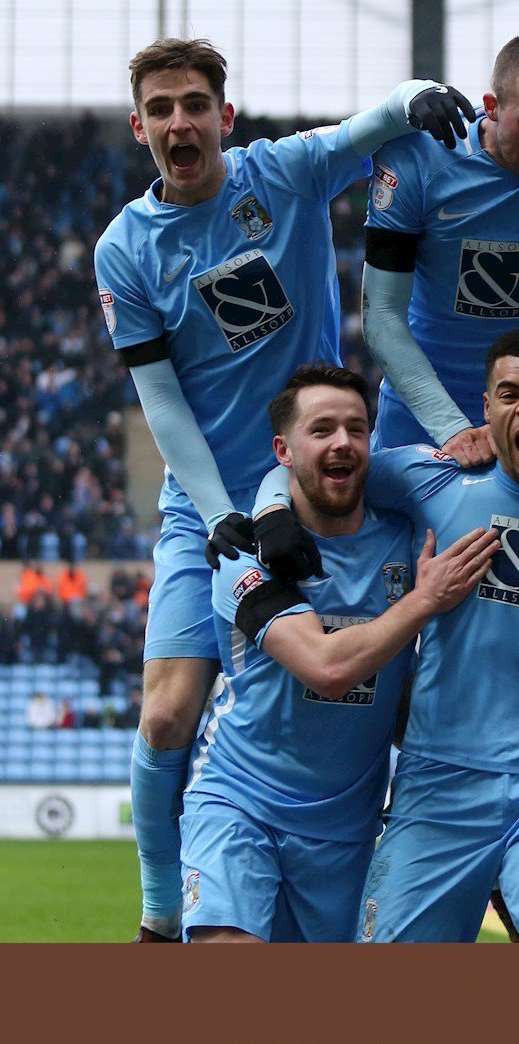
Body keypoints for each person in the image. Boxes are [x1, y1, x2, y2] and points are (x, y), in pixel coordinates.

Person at [93, 35, 476, 941]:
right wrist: (226, 513)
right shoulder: (126, 250)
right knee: (166, 713)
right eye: (160, 109)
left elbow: (378, 121)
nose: (178, 122)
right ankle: (158, 909)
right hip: (213, 506)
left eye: (194, 105)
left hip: (315, 474)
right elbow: (162, 401)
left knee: (389, 673)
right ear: (139, 126)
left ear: (224, 117)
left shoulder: (282, 175)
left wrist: (422, 94)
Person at [180, 364, 496, 942]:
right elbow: (326, 668)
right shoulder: (246, 555)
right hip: (241, 800)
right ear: (283, 449)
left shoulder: (407, 536)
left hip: (346, 829)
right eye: (321, 429)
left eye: (356, 428)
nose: (342, 442)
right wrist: (423, 601)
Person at [254, 331, 519, 941]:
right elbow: (313, 470)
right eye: (510, 393)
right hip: (443, 785)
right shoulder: (438, 480)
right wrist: (270, 512)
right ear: (485, 407)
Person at [363, 37, 519, 467]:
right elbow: (381, 314)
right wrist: (451, 426)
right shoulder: (419, 160)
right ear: (491, 106)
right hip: (421, 421)